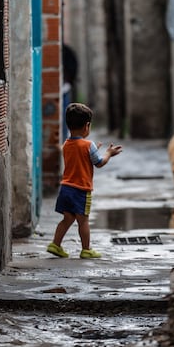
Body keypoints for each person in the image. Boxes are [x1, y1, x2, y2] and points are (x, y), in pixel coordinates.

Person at [47, 103, 122, 259]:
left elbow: (78, 157)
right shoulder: (89, 145)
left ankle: (55, 244)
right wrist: (108, 153)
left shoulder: (66, 145)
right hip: (81, 189)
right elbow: (99, 162)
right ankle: (86, 249)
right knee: (83, 221)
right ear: (87, 126)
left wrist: (95, 149)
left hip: (66, 188)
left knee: (67, 219)